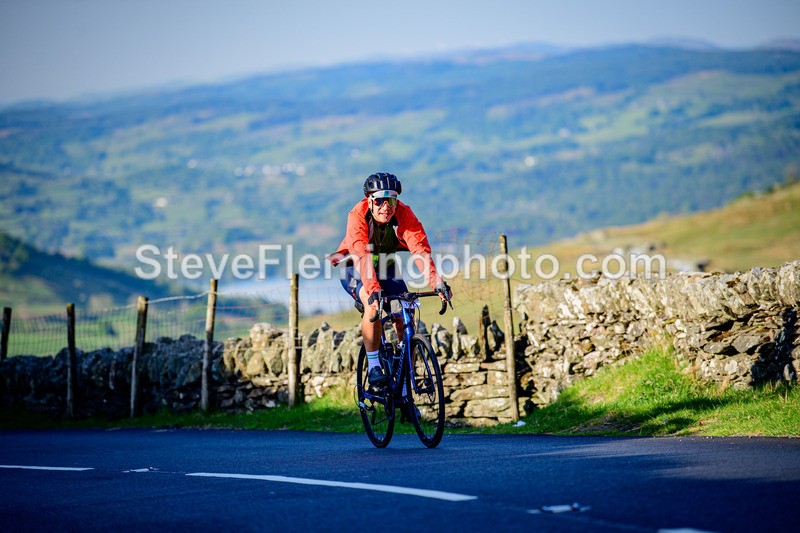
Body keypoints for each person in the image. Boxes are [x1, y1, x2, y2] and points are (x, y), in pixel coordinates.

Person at [327, 172, 451, 387]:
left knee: (405, 314)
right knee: (371, 302)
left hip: (385, 264)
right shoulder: (357, 215)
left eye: (391, 200)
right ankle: (374, 366)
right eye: (381, 201)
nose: (386, 207)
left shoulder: (404, 213)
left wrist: (436, 282)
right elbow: (360, 253)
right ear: (370, 201)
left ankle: (405, 382)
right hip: (354, 263)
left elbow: (420, 250)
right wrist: (373, 289)